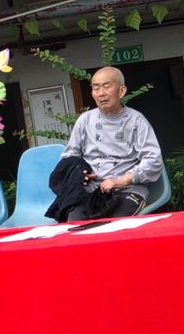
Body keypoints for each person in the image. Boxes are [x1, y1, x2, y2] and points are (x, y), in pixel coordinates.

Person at [47, 65, 163, 222]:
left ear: (121, 91)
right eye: (96, 88)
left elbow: (154, 160)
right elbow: (70, 156)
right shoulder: (85, 120)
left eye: (106, 87)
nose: (101, 93)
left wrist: (121, 180)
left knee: (112, 226)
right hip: (92, 191)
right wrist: (81, 172)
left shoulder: (137, 120)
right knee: (75, 223)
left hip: (127, 190)